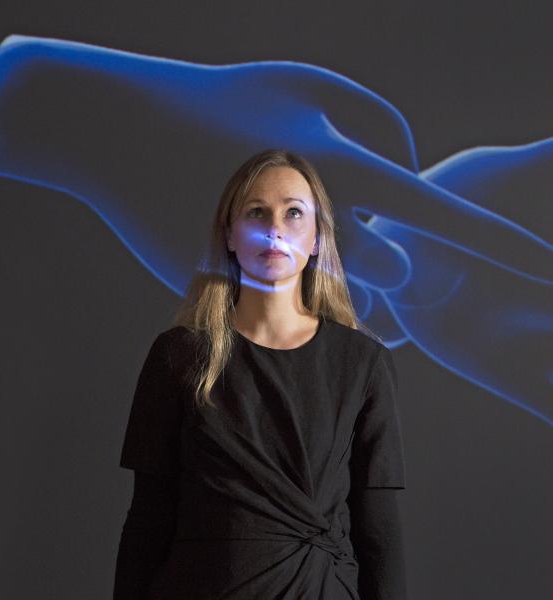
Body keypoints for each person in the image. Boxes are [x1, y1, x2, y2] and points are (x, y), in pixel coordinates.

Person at [113, 149, 408, 599]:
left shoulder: (362, 362)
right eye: (256, 212)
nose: (274, 229)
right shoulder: (178, 355)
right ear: (230, 235)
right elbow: (148, 520)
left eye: (293, 213)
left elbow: (379, 530)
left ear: (316, 239)